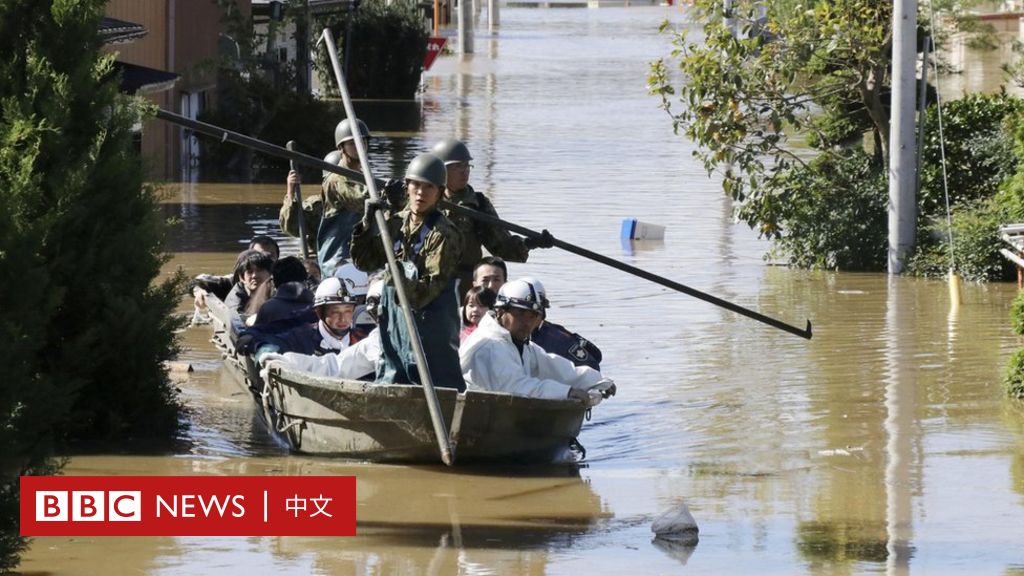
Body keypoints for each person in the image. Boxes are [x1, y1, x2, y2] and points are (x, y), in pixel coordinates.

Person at [350, 152, 464, 389]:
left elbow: (423, 295)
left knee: (435, 384)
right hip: (394, 323)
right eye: (416, 185)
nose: (421, 193)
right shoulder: (395, 221)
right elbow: (364, 262)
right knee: (392, 379)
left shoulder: (444, 234)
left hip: (429, 331)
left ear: (440, 192)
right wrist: (368, 223)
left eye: (428, 187)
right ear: (407, 187)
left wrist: (394, 271)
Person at [430, 138, 555, 299]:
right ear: (441, 170)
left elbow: (503, 247)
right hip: (428, 285)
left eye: (467, 165)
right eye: (457, 166)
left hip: (464, 288)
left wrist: (532, 243)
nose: (465, 171)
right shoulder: (422, 200)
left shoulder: (478, 204)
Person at [459, 279, 615, 405]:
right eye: (520, 313)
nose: (526, 322)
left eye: (533, 316)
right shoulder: (490, 345)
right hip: (475, 422)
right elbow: (516, 389)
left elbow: (553, 366)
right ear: (500, 311)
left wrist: (596, 381)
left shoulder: (517, 342)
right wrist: (567, 392)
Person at [280, 120, 403, 278]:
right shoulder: (335, 179)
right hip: (339, 263)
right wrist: (389, 196)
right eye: (353, 143)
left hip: (365, 259)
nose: (359, 147)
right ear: (341, 147)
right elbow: (362, 199)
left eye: (363, 142)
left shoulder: (367, 179)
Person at [241, 276, 367, 359]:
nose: (342, 319)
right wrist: (258, 344)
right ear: (319, 312)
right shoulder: (299, 339)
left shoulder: (362, 338)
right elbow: (273, 338)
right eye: (335, 312)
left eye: (348, 311)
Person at [523, 277, 603, 371]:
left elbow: (591, 367)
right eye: (517, 312)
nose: (523, 318)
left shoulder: (558, 340)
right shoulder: (505, 337)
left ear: (542, 312)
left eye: (531, 313)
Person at [251, 256, 315, 326]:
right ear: (305, 279)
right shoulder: (317, 306)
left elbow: (258, 334)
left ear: (275, 283)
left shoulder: (268, 309)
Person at [223, 249, 274, 317]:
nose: (254, 275)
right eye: (250, 272)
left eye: (259, 270)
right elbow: (239, 323)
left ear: (270, 273)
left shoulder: (275, 290)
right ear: (242, 278)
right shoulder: (236, 302)